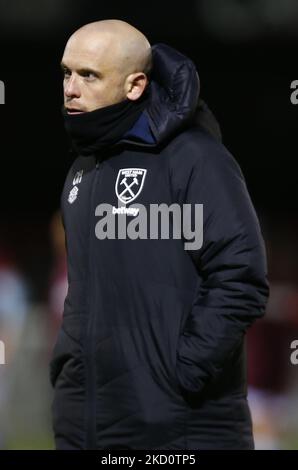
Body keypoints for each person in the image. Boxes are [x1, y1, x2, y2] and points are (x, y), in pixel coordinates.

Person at [49, 19, 270, 450]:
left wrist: (179, 373)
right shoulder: (83, 170)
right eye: (66, 73)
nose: (71, 88)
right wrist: (69, 378)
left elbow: (241, 276)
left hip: (178, 429)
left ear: (135, 85)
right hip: (85, 425)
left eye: (89, 75)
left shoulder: (195, 159)